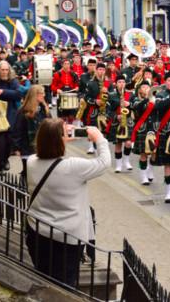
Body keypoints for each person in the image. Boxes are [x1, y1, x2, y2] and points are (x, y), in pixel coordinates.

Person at [26, 120, 111, 287]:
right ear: (59, 140)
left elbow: (49, 150)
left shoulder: (31, 162)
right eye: (64, 133)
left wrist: (62, 137)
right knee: (64, 285)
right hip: (67, 238)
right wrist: (99, 138)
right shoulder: (73, 167)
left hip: (37, 231)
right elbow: (104, 163)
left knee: (44, 278)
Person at [11, 85, 51, 180]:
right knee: (27, 172)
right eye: (42, 93)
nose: (44, 95)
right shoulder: (23, 111)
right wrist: (16, 148)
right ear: (35, 95)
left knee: (41, 173)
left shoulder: (44, 109)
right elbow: (17, 130)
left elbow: (51, 124)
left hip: (42, 146)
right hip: (27, 147)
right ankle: (24, 192)